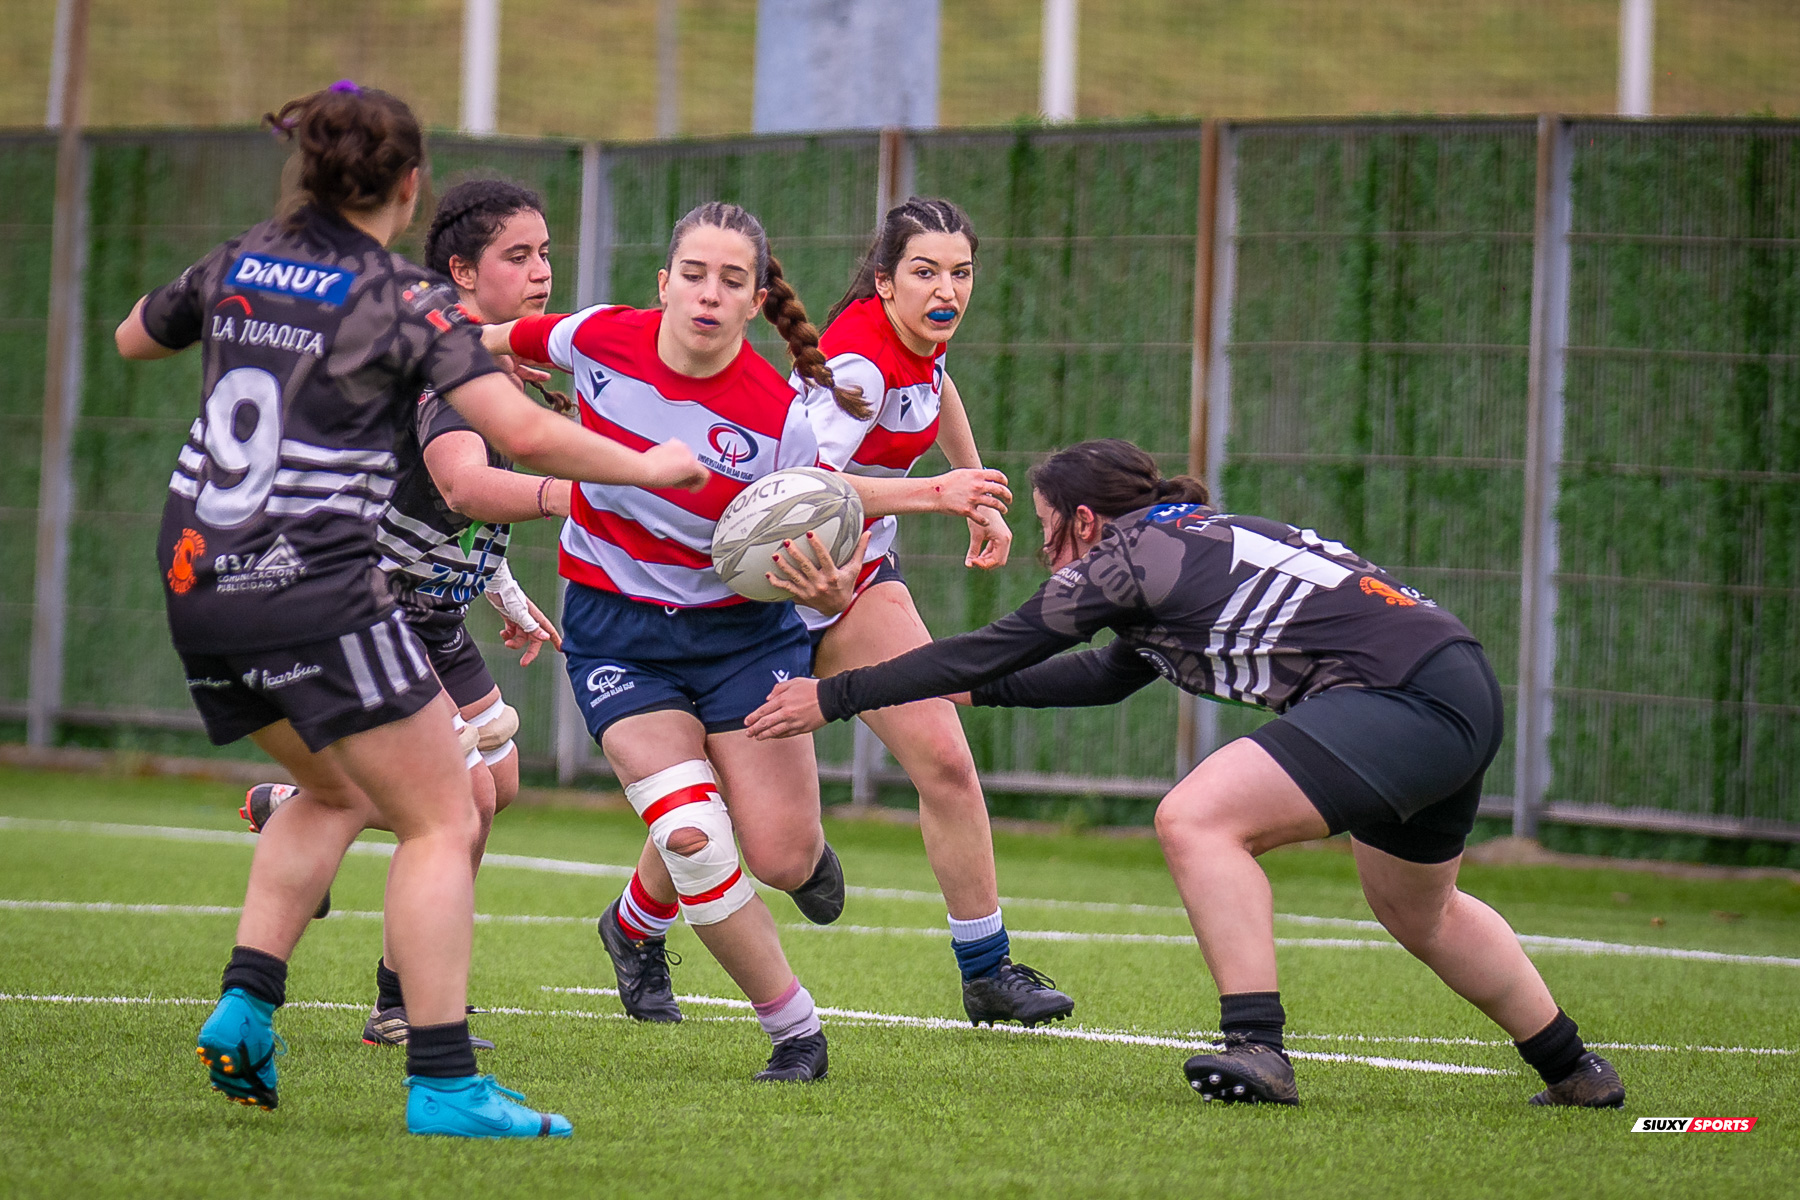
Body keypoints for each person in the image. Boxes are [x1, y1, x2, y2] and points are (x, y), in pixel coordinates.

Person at [114, 81, 704, 1137]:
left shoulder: (241, 262)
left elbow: (133, 339)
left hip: (200, 572)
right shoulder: (409, 302)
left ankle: (248, 1005)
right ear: (408, 186)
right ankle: (442, 1078)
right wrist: (648, 466)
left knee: (337, 795)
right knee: (450, 811)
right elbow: (516, 438)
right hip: (315, 580)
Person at [747, 438, 1627, 1110]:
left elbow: (1003, 643)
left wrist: (837, 694)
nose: (1046, 553)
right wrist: (952, 693)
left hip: (1400, 695)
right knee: (1417, 909)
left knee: (1197, 819)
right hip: (1452, 686)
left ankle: (1257, 1046)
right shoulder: (1182, 545)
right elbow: (1100, 675)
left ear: (1082, 522)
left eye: (1048, 532)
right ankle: (1573, 1069)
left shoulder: (1130, 557)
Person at [484, 200, 1012, 1081]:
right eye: (693, 274)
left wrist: (829, 581)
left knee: (781, 854)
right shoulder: (597, 338)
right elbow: (487, 347)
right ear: (664, 283)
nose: (707, 294)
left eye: (732, 280)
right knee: (694, 832)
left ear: (758, 299)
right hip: (618, 637)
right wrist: (431, 365)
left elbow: (820, 531)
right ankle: (797, 1032)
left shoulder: (780, 419)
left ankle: (648, 915)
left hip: (743, 638)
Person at [242, 178, 576, 1051]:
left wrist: (502, 590)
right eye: (519, 256)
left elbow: (453, 513)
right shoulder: (447, 366)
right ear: (462, 273)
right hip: (370, 606)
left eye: (546, 253)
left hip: (433, 615)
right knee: (454, 799)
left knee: (494, 789)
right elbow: (466, 481)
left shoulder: (508, 370)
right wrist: (581, 494)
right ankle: (404, 1002)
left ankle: (303, 805)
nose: (542, 272)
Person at [764, 197, 1072, 1027]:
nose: (947, 290)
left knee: (944, 757)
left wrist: (978, 490)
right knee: (767, 831)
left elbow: (939, 388)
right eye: (926, 272)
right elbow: (799, 491)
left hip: (858, 579)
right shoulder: (858, 366)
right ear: (883, 280)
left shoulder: (919, 342)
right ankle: (636, 925)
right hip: (778, 590)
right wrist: (940, 493)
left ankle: (987, 970)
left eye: (961, 272)